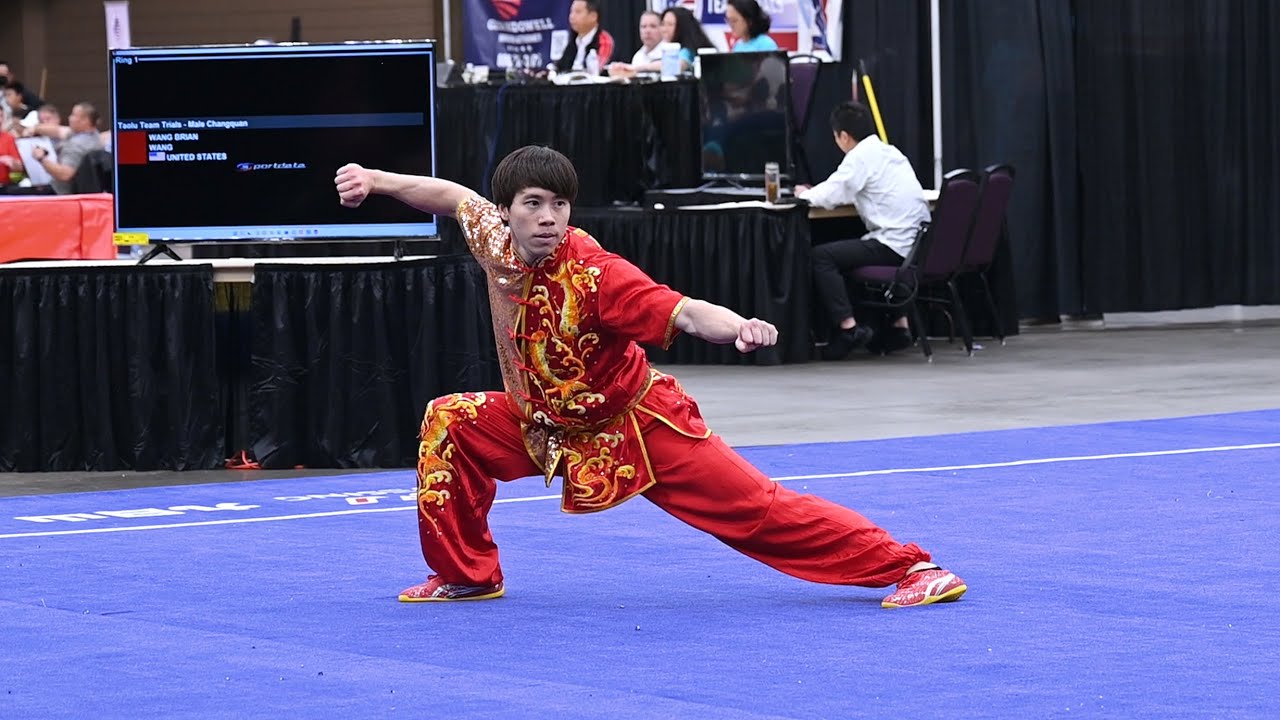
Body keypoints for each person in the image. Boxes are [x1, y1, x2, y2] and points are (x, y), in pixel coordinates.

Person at [333, 145, 966, 609]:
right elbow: (447, 195)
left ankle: (912, 565)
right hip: (544, 422)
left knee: (756, 511)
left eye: (560, 204)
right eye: (534, 204)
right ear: (507, 212)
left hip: (634, 424)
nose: (549, 216)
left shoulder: (598, 274)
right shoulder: (492, 239)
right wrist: (379, 179)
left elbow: (683, 310)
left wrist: (738, 323)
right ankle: (468, 573)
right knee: (450, 420)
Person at [798, 102, 932, 359]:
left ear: (844, 136)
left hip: (893, 244)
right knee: (854, 248)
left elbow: (832, 192)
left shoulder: (860, 157)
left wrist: (805, 194)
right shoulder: (889, 151)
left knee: (822, 257)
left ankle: (849, 328)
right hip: (917, 245)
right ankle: (897, 325)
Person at [29, 101, 103, 195]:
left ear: (85, 121)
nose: (69, 118)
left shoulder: (76, 145)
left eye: (73, 115)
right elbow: (58, 130)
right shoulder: (94, 135)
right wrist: (35, 129)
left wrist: (41, 159)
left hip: (61, 193)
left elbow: (65, 175)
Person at [554, 0, 614, 73]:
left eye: (578, 12)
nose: (572, 16)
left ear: (593, 16)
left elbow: (598, 70)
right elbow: (560, 68)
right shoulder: (573, 41)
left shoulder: (604, 40)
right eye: (571, 12)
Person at [607, 10, 663, 77]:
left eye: (653, 26)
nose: (647, 31)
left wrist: (635, 68)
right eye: (643, 26)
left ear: (662, 28)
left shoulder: (669, 52)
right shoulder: (638, 56)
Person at [660, 6, 715, 74]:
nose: (664, 29)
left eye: (670, 25)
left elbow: (675, 66)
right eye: (663, 24)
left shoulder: (688, 50)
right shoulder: (663, 47)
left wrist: (645, 67)